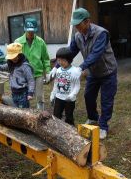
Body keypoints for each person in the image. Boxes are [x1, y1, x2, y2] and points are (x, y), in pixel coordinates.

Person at [50, 8, 117, 139]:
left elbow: (96, 54)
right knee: (88, 96)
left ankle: (103, 126)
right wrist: (57, 66)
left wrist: (80, 68)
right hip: (93, 72)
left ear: (87, 22)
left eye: (78, 24)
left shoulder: (101, 33)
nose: (76, 27)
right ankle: (92, 118)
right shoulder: (77, 36)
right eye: (74, 25)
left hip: (107, 71)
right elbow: (71, 52)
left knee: (106, 100)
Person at [15, 18, 51, 110]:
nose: (30, 33)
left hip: (37, 73)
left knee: (39, 96)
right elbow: (14, 58)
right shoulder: (18, 42)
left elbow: (45, 58)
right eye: (28, 31)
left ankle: (40, 113)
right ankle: (25, 112)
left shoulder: (40, 42)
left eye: (32, 31)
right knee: (25, 95)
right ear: (25, 29)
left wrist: (47, 71)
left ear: (35, 30)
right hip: (23, 75)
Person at [0, 43, 35, 108]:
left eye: (14, 57)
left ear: (19, 55)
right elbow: (2, 68)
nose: (13, 59)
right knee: (15, 111)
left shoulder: (25, 66)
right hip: (14, 93)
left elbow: (31, 80)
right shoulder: (10, 63)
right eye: (11, 57)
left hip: (23, 94)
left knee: (23, 112)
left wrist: (30, 93)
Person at [50, 47, 80, 125]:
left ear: (69, 59)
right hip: (59, 97)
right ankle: (57, 129)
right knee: (56, 115)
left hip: (69, 99)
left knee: (69, 116)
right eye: (59, 60)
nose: (60, 62)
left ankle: (70, 131)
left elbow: (77, 86)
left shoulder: (74, 71)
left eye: (63, 60)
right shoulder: (59, 70)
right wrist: (53, 94)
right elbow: (56, 83)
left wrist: (72, 95)